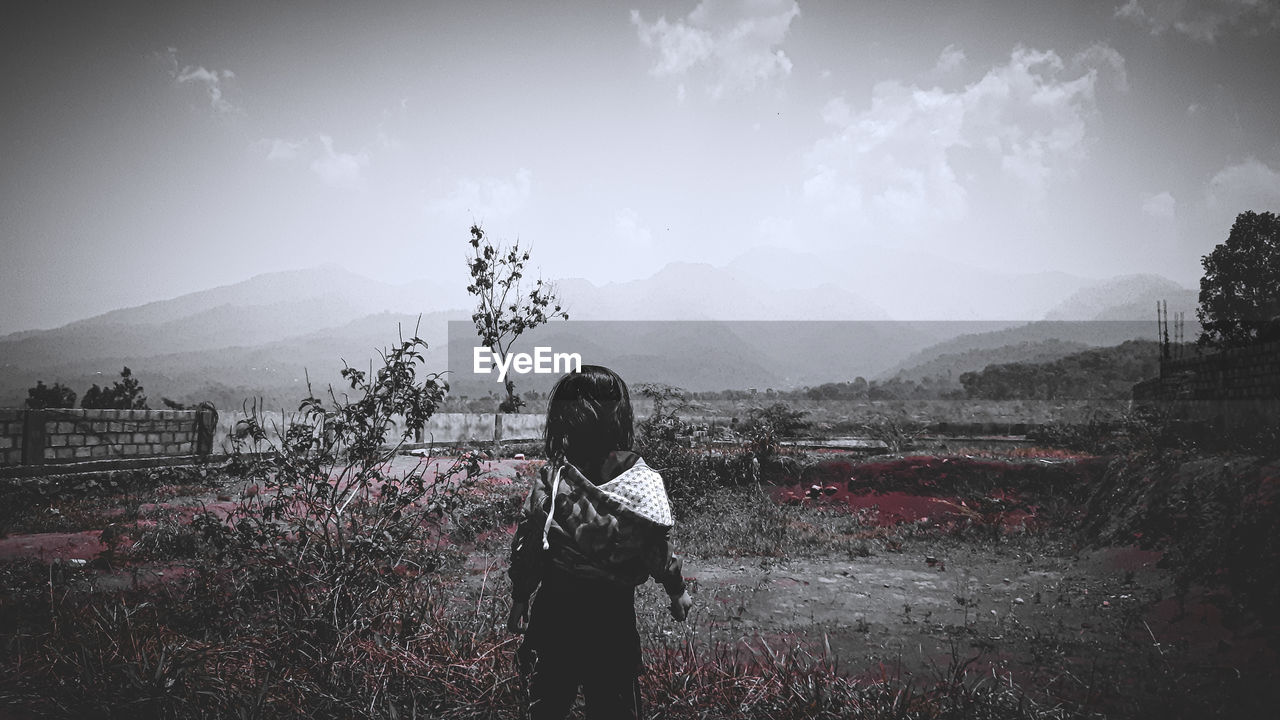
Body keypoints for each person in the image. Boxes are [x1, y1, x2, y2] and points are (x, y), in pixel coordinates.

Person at [507, 365, 693, 720]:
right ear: (620, 415)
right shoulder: (639, 478)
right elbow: (654, 542)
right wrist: (676, 589)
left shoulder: (555, 476)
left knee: (547, 702)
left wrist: (520, 598)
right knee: (614, 703)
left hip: (556, 609)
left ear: (563, 419)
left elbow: (531, 542)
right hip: (612, 616)